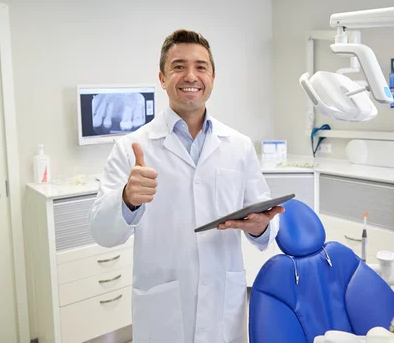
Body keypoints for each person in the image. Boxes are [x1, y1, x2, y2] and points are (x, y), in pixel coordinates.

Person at [89, 29, 284, 343]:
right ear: (162, 78)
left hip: (224, 303)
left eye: (200, 67)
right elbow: (102, 232)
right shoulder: (131, 147)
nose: (190, 75)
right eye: (179, 66)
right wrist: (127, 199)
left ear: (213, 77)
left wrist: (261, 227)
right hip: (163, 310)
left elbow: (265, 222)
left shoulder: (239, 145)